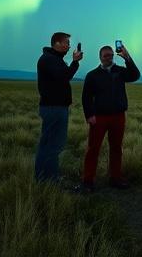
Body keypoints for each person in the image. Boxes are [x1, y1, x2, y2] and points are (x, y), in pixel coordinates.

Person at [76, 43, 141, 191]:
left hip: (118, 116)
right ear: (100, 57)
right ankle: (88, 180)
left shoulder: (120, 71)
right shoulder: (92, 75)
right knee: (93, 148)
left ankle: (115, 178)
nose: (109, 58)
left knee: (116, 148)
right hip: (99, 118)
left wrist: (127, 58)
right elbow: (86, 97)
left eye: (111, 55)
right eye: (106, 56)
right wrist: (89, 115)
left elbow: (135, 75)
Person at [34, 31, 83, 183]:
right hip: (53, 109)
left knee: (52, 145)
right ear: (57, 43)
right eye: (67, 43)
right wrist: (75, 62)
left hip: (56, 108)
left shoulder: (54, 59)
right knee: (51, 145)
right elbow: (64, 77)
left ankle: (47, 178)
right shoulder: (49, 59)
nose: (69, 46)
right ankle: (47, 180)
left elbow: (62, 76)